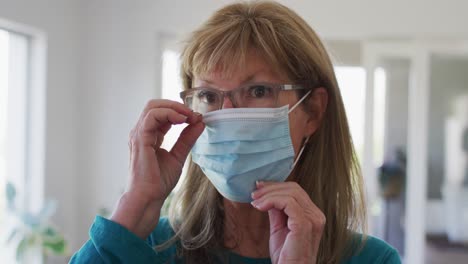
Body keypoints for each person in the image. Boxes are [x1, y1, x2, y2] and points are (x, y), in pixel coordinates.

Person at [70, 1, 401, 263]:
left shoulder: (372, 260)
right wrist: (135, 205)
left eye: (257, 91)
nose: (227, 115)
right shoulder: (145, 249)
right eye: (209, 96)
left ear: (312, 110)